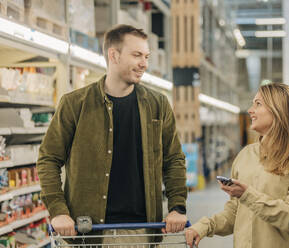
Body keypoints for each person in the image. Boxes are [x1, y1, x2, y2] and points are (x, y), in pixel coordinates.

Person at [36, 24, 188, 244]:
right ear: (114, 55)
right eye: (137, 55)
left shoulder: (158, 105)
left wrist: (177, 206)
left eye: (146, 56)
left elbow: (174, 159)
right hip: (87, 232)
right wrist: (58, 210)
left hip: (141, 231)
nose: (144, 63)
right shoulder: (75, 104)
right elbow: (48, 159)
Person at [185, 83, 289, 248]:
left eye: (258, 104)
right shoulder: (245, 156)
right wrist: (205, 227)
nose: (250, 110)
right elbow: (235, 212)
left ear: (278, 110)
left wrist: (247, 195)